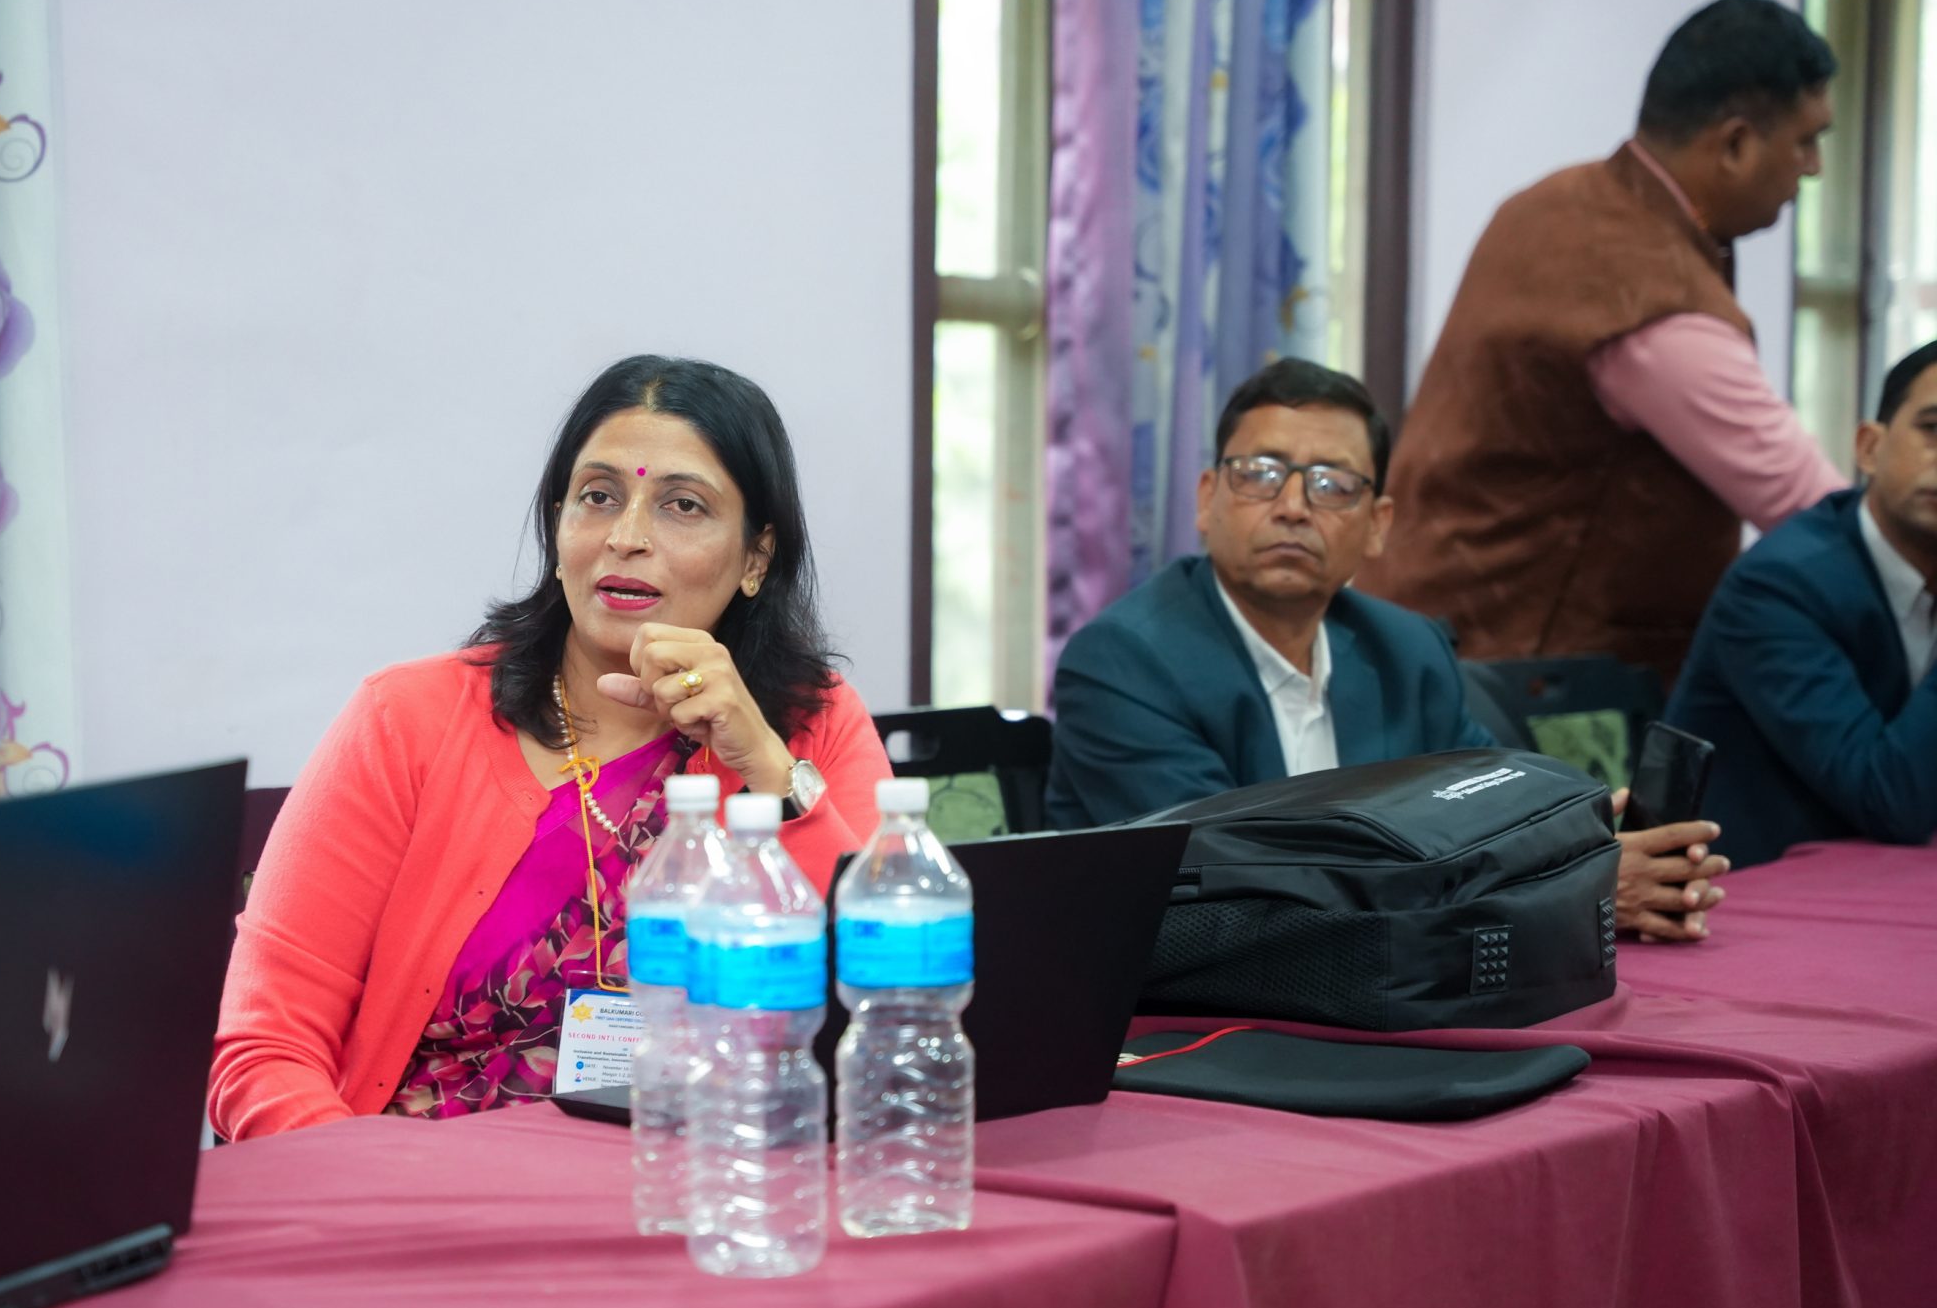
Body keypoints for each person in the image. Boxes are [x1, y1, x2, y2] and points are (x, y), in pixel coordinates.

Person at [209, 355, 890, 1140]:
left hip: (706, 1179)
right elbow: (264, 1050)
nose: (627, 538)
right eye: (599, 496)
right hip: (420, 1186)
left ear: (756, 559)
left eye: (683, 505)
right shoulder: (407, 720)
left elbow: (889, 1008)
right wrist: (365, 1197)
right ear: (558, 525)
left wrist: (764, 767)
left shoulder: (810, 726)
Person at [1047, 358, 1730, 941]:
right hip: (1187, 1017)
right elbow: (1238, 891)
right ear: (1207, 499)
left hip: (1386, 991)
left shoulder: (1407, 651)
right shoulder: (1125, 662)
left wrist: (1598, 858)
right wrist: (1575, 896)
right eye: (1260, 473)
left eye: (1332, 485)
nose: (1292, 506)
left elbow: (1497, 817)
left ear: (1376, 525)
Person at [1360, 0, 1846, 682]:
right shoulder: (1654, 305)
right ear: (1736, 144)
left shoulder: (1548, 204)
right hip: (1530, 684)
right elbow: (1808, 509)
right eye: (1805, 141)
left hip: (1420, 639)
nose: (1814, 168)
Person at [1665, 342, 1937, 867]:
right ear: (1869, 447)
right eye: (1933, 428)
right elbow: (1889, 800)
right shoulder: (1779, 585)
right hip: (1732, 892)